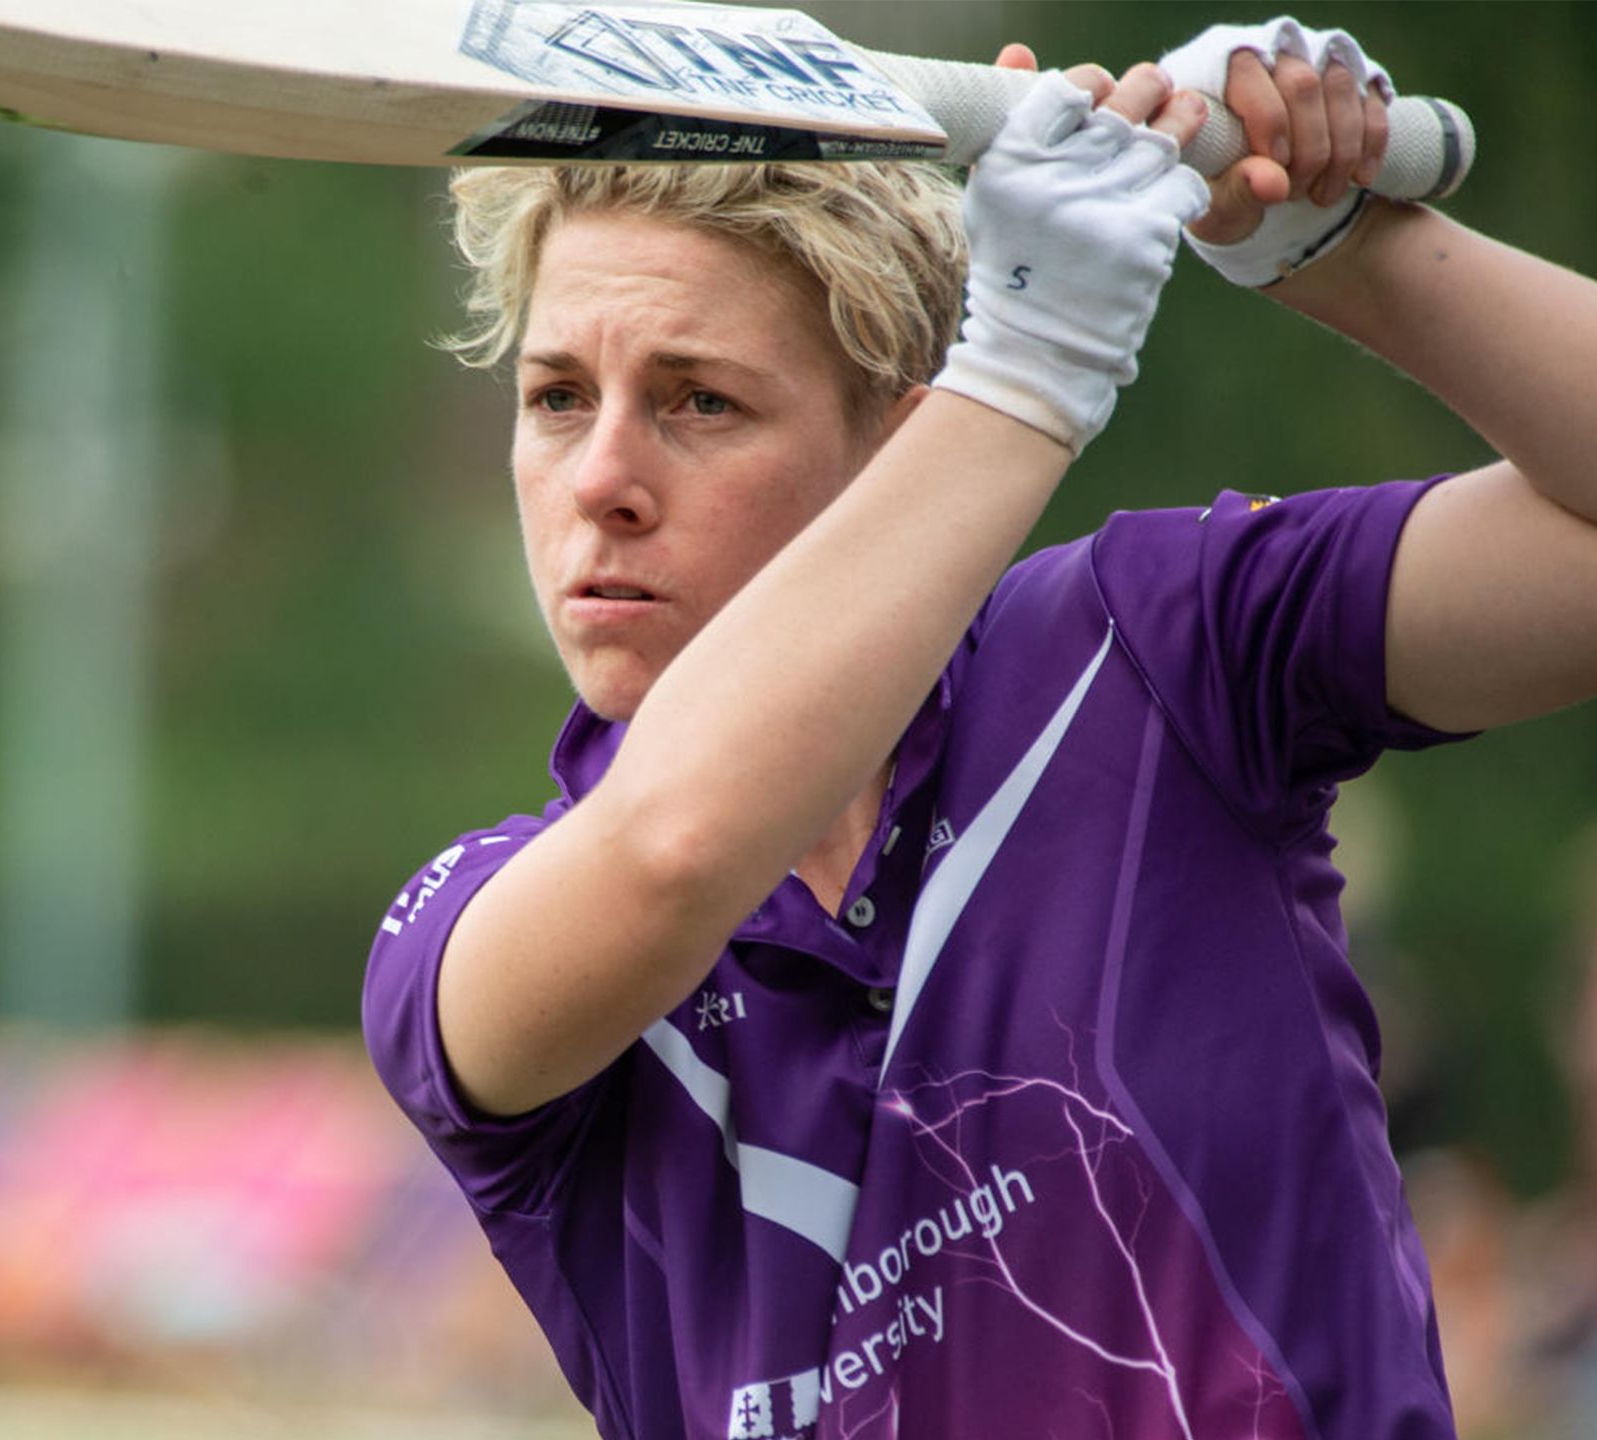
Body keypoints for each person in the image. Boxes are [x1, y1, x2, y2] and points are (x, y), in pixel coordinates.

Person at [359, 17, 1597, 1439]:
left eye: (701, 401)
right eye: (558, 398)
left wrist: (1344, 253)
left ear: (902, 438)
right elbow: (672, 848)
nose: (604, 482)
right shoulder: (474, 928)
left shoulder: (1159, 641)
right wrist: (1034, 361)